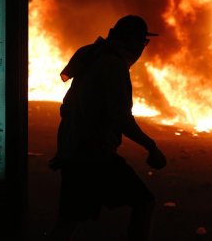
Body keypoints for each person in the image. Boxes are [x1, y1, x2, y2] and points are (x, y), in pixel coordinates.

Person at [49, 15, 167, 240]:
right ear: (131, 40)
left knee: (69, 221)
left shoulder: (94, 55)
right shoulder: (113, 65)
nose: (143, 47)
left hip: (75, 151)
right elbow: (121, 117)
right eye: (143, 41)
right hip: (93, 156)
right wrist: (151, 146)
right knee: (144, 202)